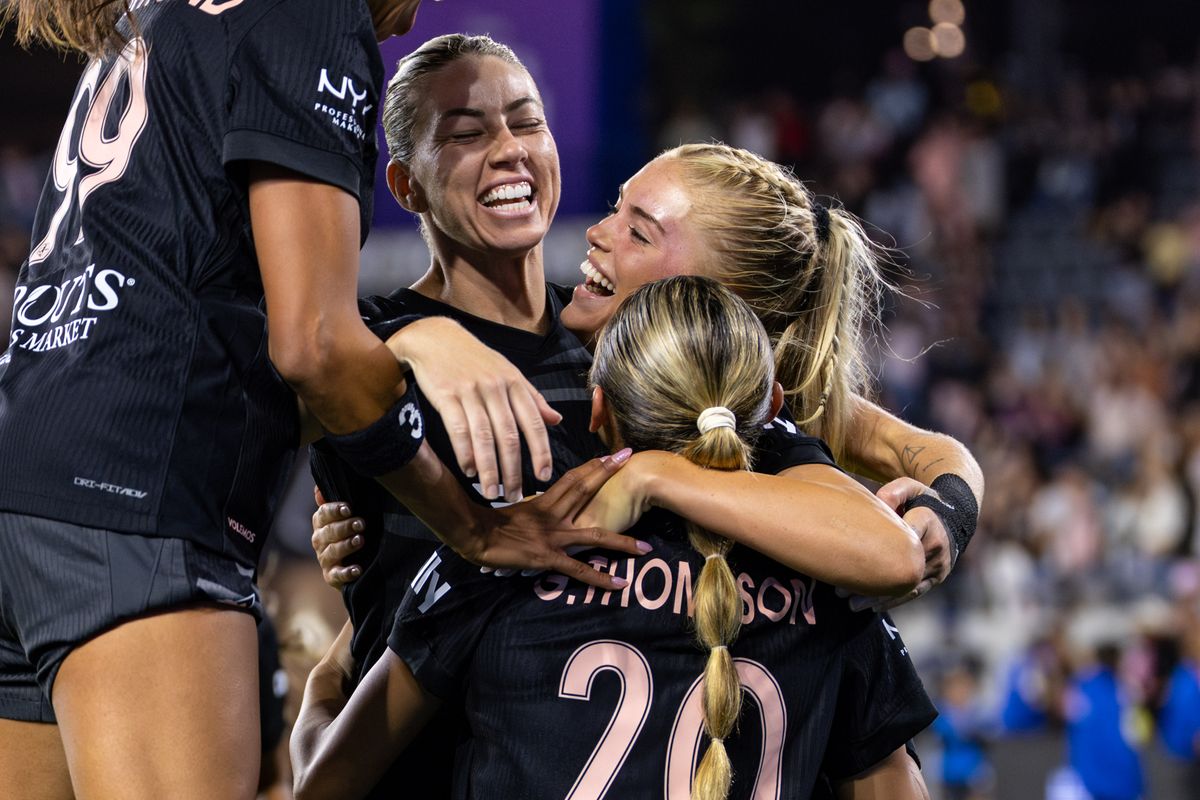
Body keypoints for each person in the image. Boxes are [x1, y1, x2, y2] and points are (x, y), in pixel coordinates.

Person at [0, 5, 639, 799]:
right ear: (410, 181)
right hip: (142, 499)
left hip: (30, 487)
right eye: (469, 132)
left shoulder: (168, 10)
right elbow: (316, 348)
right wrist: (473, 527)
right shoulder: (309, 12)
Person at [293, 276, 938, 799]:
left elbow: (322, 785)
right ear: (771, 404)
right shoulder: (834, 587)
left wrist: (327, 679)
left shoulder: (503, 554)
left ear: (596, 411)